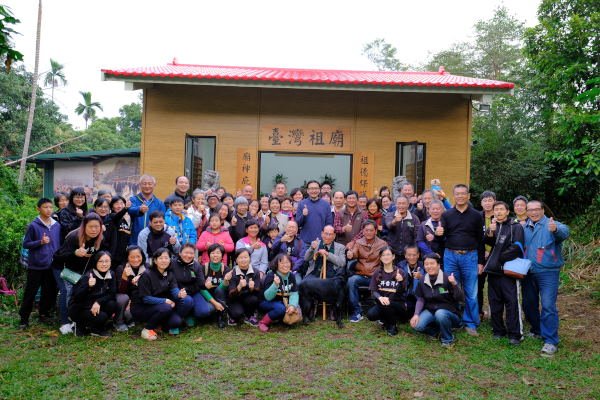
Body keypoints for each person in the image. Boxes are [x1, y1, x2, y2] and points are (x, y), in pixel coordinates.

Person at [522, 200, 570, 357]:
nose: (534, 212)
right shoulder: (524, 227)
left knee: (548, 305)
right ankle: (537, 330)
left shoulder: (552, 224)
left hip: (548, 272)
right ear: (527, 211)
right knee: (529, 303)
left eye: (537, 209)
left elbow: (565, 232)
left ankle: (550, 341)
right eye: (530, 210)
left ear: (543, 210)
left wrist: (555, 230)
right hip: (528, 272)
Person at [439, 184, 485, 336]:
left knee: (471, 292)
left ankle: (470, 322)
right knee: (451, 288)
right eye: (457, 194)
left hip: (470, 256)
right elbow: (442, 235)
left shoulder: (477, 215)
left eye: (463, 193)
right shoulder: (447, 215)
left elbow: (481, 239)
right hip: (450, 255)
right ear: (454, 195)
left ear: (468, 196)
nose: (460, 196)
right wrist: (439, 232)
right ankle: (454, 319)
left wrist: (480, 262)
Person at [54, 213, 105, 335]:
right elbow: (57, 257)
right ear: (84, 226)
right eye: (90, 227)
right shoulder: (73, 237)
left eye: (96, 227)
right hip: (63, 269)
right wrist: (74, 253)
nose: (94, 230)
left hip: (81, 272)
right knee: (66, 292)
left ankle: (75, 319)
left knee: (80, 293)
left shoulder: (99, 238)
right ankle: (64, 322)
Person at [483, 201, 525, 345]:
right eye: (496, 210)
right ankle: (498, 330)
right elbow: (487, 242)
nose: (499, 212)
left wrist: (500, 258)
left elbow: (518, 246)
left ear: (507, 211)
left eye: (502, 209)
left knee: (511, 302)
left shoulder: (515, 226)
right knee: (494, 302)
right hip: (493, 271)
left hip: (508, 271)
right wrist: (490, 231)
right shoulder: (494, 226)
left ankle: (515, 334)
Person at [19, 198, 61, 329]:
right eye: (45, 207)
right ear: (38, 209)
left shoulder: (56, 225)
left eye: (50, 207)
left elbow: (57, 244)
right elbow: (26, 244)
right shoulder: (34, 225)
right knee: (30, 292)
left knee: (48, 291)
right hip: (36, 265)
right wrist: (40, 242)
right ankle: (24, 319)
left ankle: (44, 314)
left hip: (51, 265)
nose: (48, 210)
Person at [410, 254, 465, 347]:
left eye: (432, 263)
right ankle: (437, 332)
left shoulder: (447, 279)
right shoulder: (422, 279)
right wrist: (416, 314)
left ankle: (448, 339)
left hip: (449, 312)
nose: (429, 266)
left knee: (440, 314)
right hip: (431, 310)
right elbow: (420, 298)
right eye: (426, 264)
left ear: (439, 265)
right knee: (417, 325)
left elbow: (461, 299)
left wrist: (454, 284)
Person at [131, 248, 185, 340]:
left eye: (166, 258)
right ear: (155, 261)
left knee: (176, 322)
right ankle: (147, 329)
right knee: (166, 307)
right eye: (160, 258)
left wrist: (179, 294)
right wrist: (165, 300)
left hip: (159, 306)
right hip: (142, 307)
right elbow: (145, 298)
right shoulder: (147, 275)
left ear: (170, 260)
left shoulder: (169, 274)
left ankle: (158, 324)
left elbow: (174, 290)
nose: (164, 261)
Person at [346, 220, 388, 322]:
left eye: (371, 230)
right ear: (363, 231)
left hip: (376, 276)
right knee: (351, 281)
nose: (368, 232)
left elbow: (387, 258)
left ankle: (382, 312)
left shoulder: (382, 244)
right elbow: (354, 253)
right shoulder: (359, 242)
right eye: (366, 230)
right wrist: (351, 254)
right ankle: (357, 311)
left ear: (375, 231)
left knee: (385, 281)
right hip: (362, 275)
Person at [68, 251, 117, 337]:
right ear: (95, 262)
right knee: (102, 316)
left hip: (95, 304)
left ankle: (96, 328)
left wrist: (98, 302)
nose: (104, 264)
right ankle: (79, 324)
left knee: (112, 304)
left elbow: (112, 293)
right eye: (101, 261)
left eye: (107, 261)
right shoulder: (88, 275)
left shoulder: (111, 274)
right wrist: (88, 286)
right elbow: (77, 298)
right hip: (81, 307)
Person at [366, 247, 408, 336]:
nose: (386, 257)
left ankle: (392, 325)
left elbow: (402, 292)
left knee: (388, 303)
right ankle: (386, 319)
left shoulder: (400, 272)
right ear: (380, 258)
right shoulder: (377, 272)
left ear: (393, 257)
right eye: (383, 255)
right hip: (383, 302)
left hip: (397, 304)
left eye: (388, 254)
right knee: (371, 315)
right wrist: (380, 297)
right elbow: (373, 291)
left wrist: (400, 281)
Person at [258, 254, 300, 332]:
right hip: (267, 302)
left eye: (287, 262)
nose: (285, 265)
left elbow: (294, 293)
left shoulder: (291, 276)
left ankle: (278, 318)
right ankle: (263, 322)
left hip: (283, 302)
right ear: (276, 264)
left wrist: (292, 306)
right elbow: (268, 297)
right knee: (280, 308)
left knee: (297, 309)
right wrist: (275, 285)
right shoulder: (271, 276)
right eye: (282, 263)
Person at [199, 244, 233, 328]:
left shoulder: (226, 269)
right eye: (213, 253)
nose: (215, 255)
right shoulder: (203, 268)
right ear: (209, 254)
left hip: (221, 296)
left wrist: (225, 281)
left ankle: (221, 316)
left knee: (219, 290)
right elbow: (201, 289)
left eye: (218, 253)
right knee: (207, 311)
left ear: (222, 255)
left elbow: (225, 288)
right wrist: (205, 287)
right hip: (208, 296)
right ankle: (214, 312)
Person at [114, 245, 147, 332]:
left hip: (140, 299)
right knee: (124, 299)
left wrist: (141, 277)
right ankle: (119, 321)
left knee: (135, 314)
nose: (136, 260)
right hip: (126, 300)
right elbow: (120, 291)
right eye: (132, 257)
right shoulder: (121, 268)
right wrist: (124, 277)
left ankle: (132, 319)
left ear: (142, 256)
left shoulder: (147, 267)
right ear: (127, 257)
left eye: (138, 256)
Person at [169, 244, 202, 327]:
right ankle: (176, 320)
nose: (188, 255)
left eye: (191, 253)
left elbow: (200, 283)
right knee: (187, 301)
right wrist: (178, 291)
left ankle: (187, 315)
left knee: (203, 310)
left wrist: (187, 290)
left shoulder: (196, 265)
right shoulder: (172, 264)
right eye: (186, 252)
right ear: (180, 253)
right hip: (175, 291)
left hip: (192, 291)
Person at [128, 175, 166, 245]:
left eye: (150, 184)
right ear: (140, 185)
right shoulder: (133, 199)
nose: (147, 186)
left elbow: (164, 222)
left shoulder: (159, 203)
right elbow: (130, 210)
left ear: (154, 185)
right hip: (136, 239)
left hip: (154, 240)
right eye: (144, 184)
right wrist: (139, 209)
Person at [228, 248, 262, 326]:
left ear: (250, 258)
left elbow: (258, 292)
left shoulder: (255, 271)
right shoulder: (232, 272)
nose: (243, 260)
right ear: (236, 260)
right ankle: (231, 315)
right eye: (240, 258)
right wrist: (239, 287)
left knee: (254, 299)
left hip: (248, 298)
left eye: (246, 257)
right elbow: (230, 295)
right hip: (235, 299)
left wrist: (252, 288)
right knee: (237, 314)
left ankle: (250, 315)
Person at [296, 180, 334, 247]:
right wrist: (303, 215)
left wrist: (326, 239)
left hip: (322, 242)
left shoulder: (326, 205)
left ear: (319, 190)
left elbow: (329, 224)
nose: (314, 191)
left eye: (316, 188)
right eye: (311, 188)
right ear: (307, 191)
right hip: (305, 242)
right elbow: (298, 224)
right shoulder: (302, 204)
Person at [478, 190, 496, 320]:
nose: (488, 203)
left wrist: (490, 250)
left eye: (490, 200)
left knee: (494, 286)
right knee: (478, 284)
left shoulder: (500, 216)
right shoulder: (477, 217)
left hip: (496, 256)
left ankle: (494, 312)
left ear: (495, 201)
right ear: (481, 203)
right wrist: (482, 251)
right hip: (480, 256)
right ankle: (478, 311)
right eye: (485, 200)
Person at [384, 196, 420, 261]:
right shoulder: (390, 215)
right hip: (392, 252)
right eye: (399, 203)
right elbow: (389, 225)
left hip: (408, 254)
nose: (401, 205)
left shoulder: (414, 218)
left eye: (403, 203)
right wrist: (395, 221)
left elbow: (417, 236)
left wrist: (413, 251)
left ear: (408, 204)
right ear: (396, 204)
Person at [397, 245, 425, 317]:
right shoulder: (400, 266)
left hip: (420, 298)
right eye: (409, 255)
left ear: (418, 255)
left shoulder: (424, 266)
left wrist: (421, 277)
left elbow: (432, 281)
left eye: (414, 255)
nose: (412, 257)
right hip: (405, 297)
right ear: (405, 255)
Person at [109, 196, 131, 267]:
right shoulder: (111, 216)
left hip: (123, 255)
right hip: (114, 255)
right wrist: (126, 208)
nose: (119, 206)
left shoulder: (124, 220)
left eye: (122, 203)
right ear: (112, 207)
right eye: (116, 204)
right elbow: (117, 216)